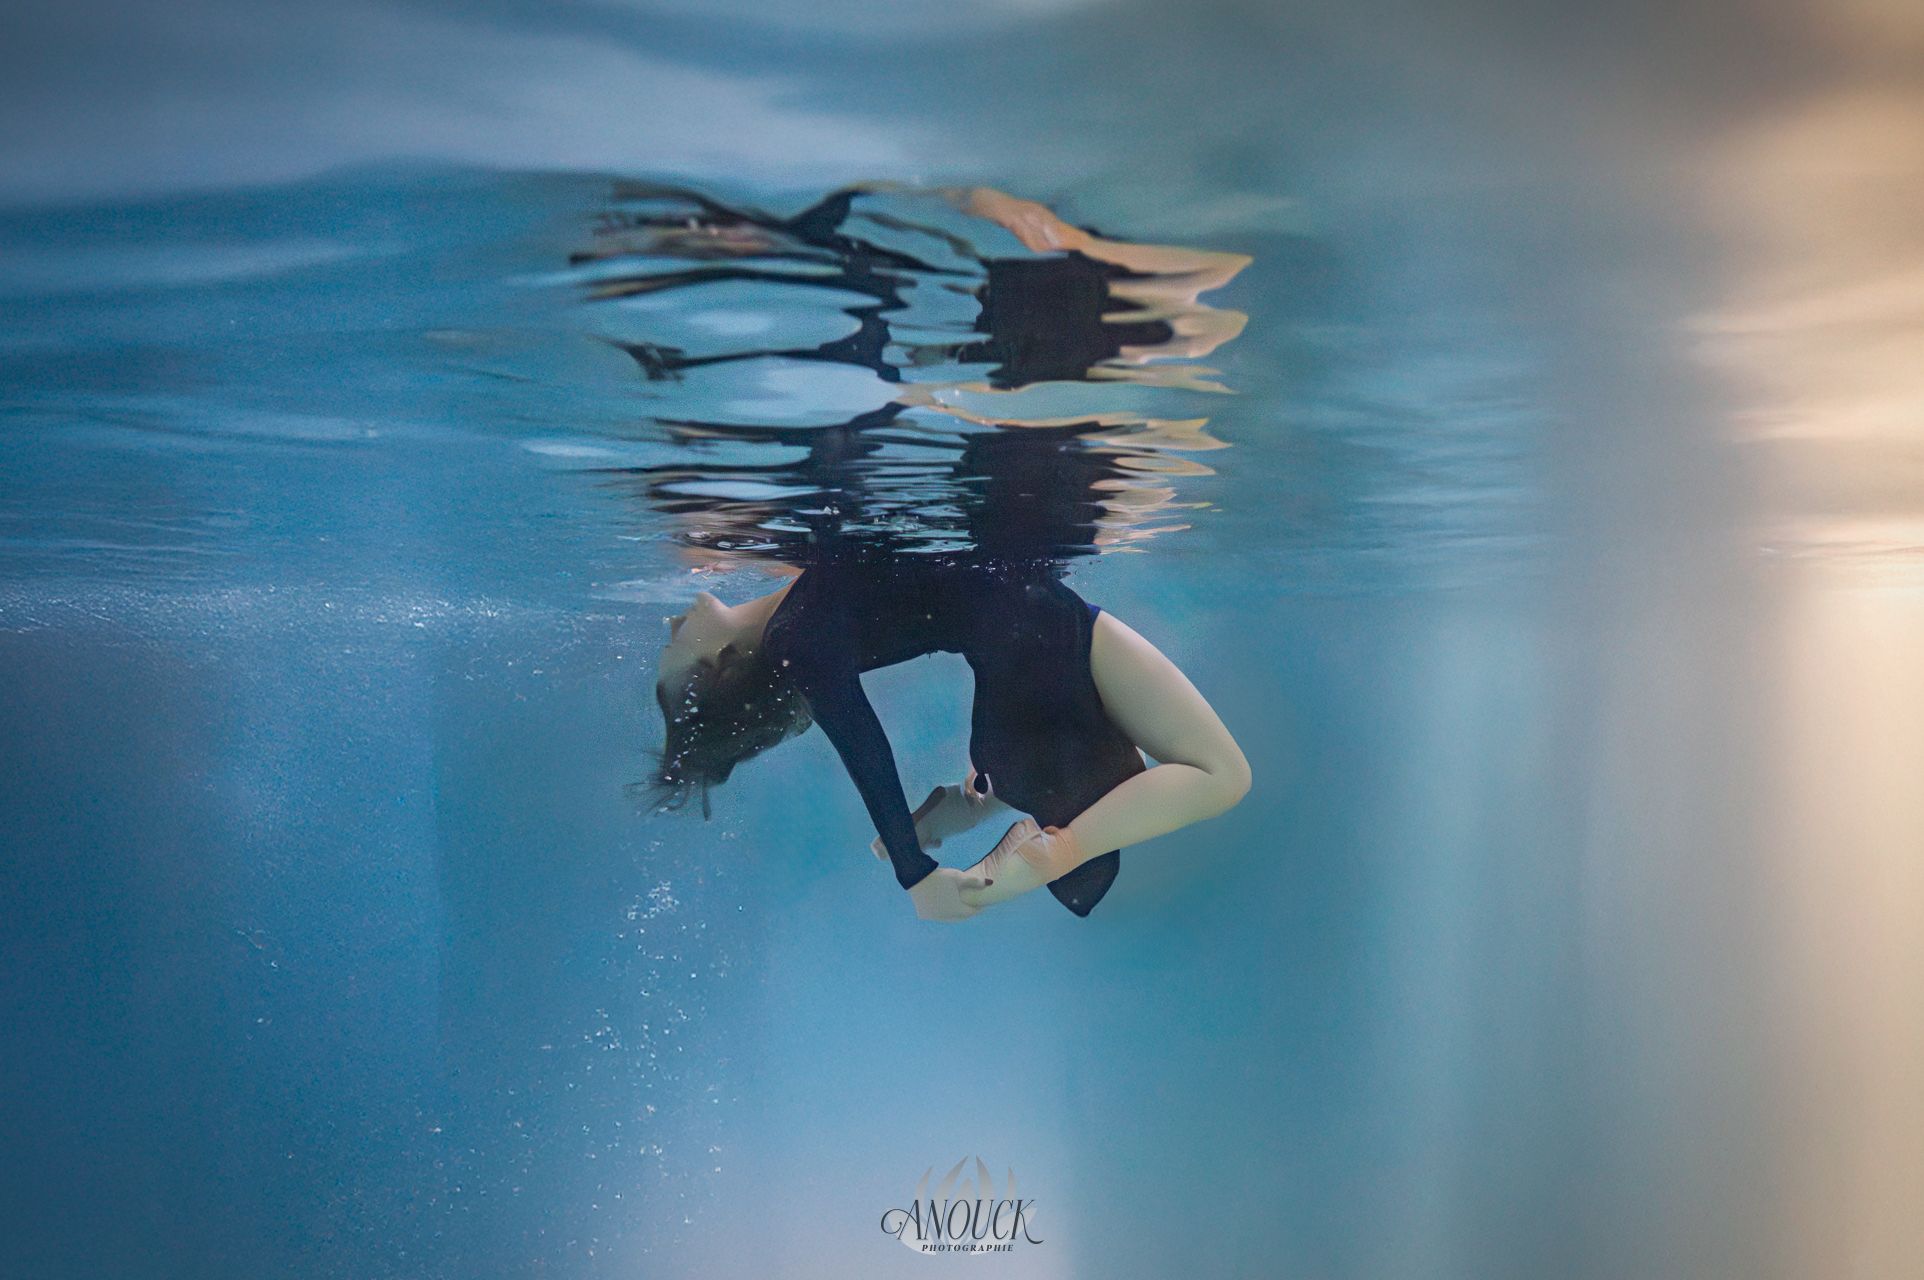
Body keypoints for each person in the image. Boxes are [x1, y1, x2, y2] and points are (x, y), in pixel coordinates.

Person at [650, 558, 1250, 921]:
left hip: (1017, 687)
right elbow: (863, 745)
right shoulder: (796, 642)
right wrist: (914, 872)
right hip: (1034, 643)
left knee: (1135, 766)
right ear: (721, 666)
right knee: (1223, 776)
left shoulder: (796, 620)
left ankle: (983, 800)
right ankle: (1061, 848)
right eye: (671, 657)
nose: (668, 629)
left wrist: (912, 847)